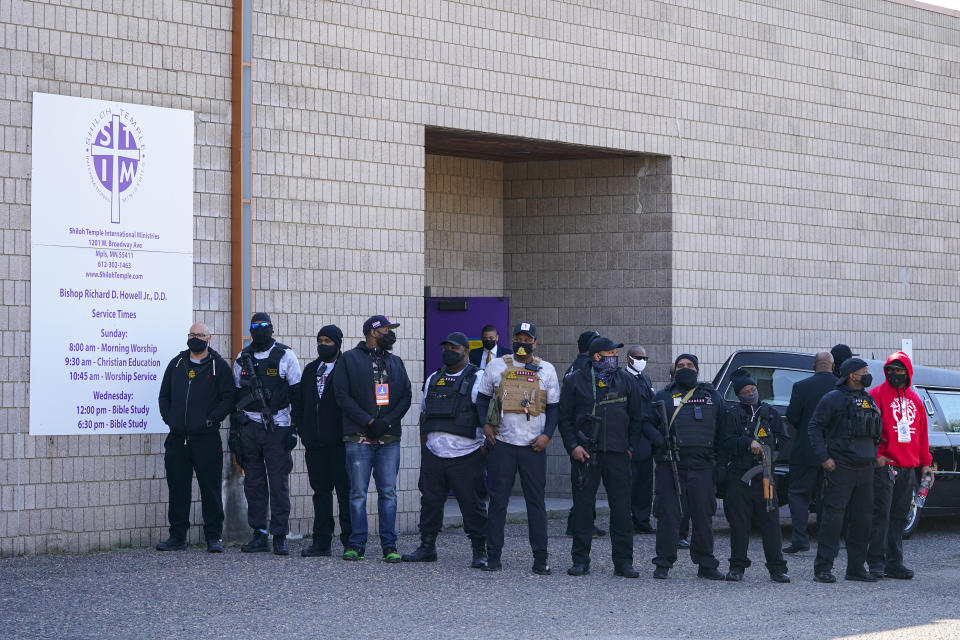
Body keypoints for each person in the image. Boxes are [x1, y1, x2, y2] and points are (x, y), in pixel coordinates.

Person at [559, 337, 653, 578]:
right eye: (610, 352)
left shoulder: (626, 381)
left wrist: (630, 446)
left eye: (615, 352)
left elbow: (637, 417)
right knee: (583, 509)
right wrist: (573, 447)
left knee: (621, 510)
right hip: (585, 454)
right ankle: (580, 560)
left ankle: (623, 562)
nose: (615, 356)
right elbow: (565, 419)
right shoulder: (575, 380)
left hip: (617, 454)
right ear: (596, 356)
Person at [476, 321, 561, 574]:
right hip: (502, 444)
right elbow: (481, 399)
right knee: (498, 501)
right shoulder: (497, 365)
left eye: (527, 339)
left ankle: (540, 559)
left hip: (533, 446)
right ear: (512, 339)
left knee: (536, 503)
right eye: (518, 338)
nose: (522, 343)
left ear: (535, 342)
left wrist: (547, 435)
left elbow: (555, 407)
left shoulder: (546, 369)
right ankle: (493, 557)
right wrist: (484, 425)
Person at [403, 332, 488, 568]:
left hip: (467, 454)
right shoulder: (434, 378)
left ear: (466, 351)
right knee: (430, 503)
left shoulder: (479, 378)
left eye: (454, 347)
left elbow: (489, 418)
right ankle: (427, 546)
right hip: (434, 453)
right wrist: (424, 445)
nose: (449, 351)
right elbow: (423, 413)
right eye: (446, 346)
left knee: (472, 505)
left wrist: (483, 452)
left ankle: (479, 550)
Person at [332, 315, 412, 563]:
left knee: (388, 492)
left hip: (389, 439)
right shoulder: (349, 359)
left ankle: (390, 545)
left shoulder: (396, 361)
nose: (391, 333)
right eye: (386, 329)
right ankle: (356, 544)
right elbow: (342, 395)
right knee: (357, 493)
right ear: (372, 332)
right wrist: (368, 421)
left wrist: (386, 422)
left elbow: (406, 396)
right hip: (358, 438)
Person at [156, 322, 234, 553]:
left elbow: (228, 398)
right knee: (178, 489)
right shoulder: (177, 364)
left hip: (206, 439)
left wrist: (211, 420)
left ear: (209, 338)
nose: (195, 338)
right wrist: (170, 419)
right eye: (192, 334)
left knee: (210, 489)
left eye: (200, 335)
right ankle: (177, 537)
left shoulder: (218, 366)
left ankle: (213, 537)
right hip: (178, 439)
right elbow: (164, 396)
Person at [649, 354, 725, 580]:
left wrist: (720, 464)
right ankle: (663, 563)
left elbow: (724, 430)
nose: (685, 369)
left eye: (689, 365)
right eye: (680, 366)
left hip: (703, 466)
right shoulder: (662, 396)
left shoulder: (712, 396)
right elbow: (645, 423)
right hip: (671, 464)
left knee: (703, 516)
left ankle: (706, 564)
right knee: (668, 515)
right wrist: (659, 440)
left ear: (697, 369)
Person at [232, 313, 302, 555]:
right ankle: (259, 533)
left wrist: (293, 429)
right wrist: (235, 432)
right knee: (253, 483)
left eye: (264, 326)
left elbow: (297, 396)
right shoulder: (243, 358)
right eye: (255, 327)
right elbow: (236, 396)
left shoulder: (285, 355)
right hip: (250, 428)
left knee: (278, 483)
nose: (260, 330)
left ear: (272, 328)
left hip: (277, 427)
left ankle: (279, 534)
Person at [808, 357, 882, 583]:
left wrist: (876, 456)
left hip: (866, 469)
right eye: (864, 371)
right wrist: (824, 458)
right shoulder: (833, 398)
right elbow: (814, 427)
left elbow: (874, 431)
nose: (868, 374)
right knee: (833, 519)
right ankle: (823, 568)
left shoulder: (868, 399)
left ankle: (856, 568)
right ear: (851, 375)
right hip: (841, 467)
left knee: (862, 520)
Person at [867, 351, 934, 580]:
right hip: (886, 466)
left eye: (899, 371)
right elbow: (868, 430)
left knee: (900, 517)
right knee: (881, 515)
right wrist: (875, 456)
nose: (894, 374)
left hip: (909, 468)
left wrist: (926, 464)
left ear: (908, 372)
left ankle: (895, 562)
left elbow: (922, 435)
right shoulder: (875, 395)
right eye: (891, 371)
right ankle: (876, 560)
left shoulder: (915, 400)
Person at [720, 369, 790, 582]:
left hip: (766, 477)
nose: (751, 393)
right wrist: (746, 443)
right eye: (746, 391)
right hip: (739, 477)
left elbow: (784, 441)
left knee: (770, 523)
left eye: (753, 389)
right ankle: (737, 567)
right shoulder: (732, 415)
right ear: (739, 394)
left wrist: (769, 449)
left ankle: (777, 568)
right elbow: (725, 442)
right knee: (739, 524)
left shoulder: (770, 413)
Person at [292, 324, 351, 557]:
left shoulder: (346, 368)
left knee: (345, 493)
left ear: (338, 343)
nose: (323, 345)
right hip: (314, 444)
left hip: (340, 444)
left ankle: (350, 542)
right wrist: (303, 430)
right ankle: (321, 542)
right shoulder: (311, 369)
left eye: (328, 341)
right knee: (321, 493)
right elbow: (298, 403)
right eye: (320, 340)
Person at [783, 351, 836, 554]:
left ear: (814, 366)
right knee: (828, 497)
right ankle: (826, 538)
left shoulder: (801, 386)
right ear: (832, 366)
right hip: (834, 453)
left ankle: (800, 539)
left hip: (805, 450)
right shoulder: (841, 387)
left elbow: (793, 417)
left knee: (798, 495)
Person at [563, 329, 606, 538]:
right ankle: (580, 524)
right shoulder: (583, 368)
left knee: (583, 485)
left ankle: (581, 522)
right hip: (585, 436)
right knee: (584, 486)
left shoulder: (574, 366)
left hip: (580, 435)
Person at [625, 345, 656, 534]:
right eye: (638, 357)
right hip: (630, 436)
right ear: (628, 358)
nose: (642, 361)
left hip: (646, 438)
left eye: (645, 358)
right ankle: (626, 520)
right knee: (629, 483)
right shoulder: (622, 378)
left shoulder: (645, 379)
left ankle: (642, 520)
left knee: (645, 483)